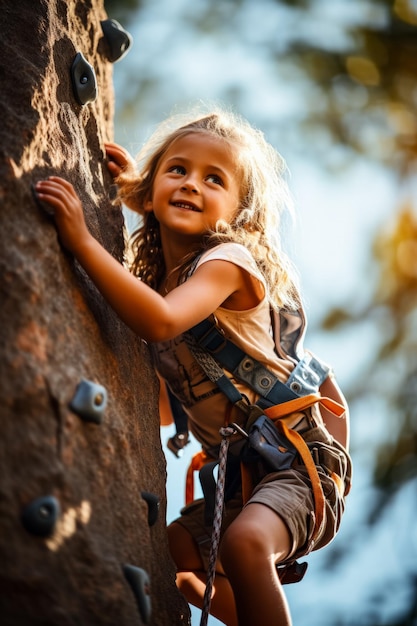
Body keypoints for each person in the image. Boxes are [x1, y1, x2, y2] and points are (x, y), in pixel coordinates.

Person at [35, 106, 351, 626]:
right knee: (174, 554)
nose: (191, 185)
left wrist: (82, 240)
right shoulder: (166, 281)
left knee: (246, 544)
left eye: (213, 179)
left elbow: (159, 320)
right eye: (177, 170)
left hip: (299, 468)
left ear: (238, 212)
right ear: (153, 184)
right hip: (245, 479)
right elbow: (162, 409)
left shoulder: (229, 263)